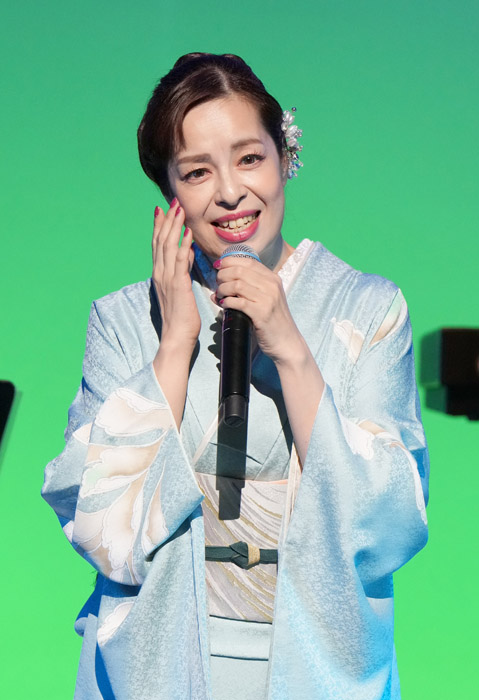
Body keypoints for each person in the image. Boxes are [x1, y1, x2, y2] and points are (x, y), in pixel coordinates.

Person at [42, 53, 429, 700]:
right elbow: (101, 530)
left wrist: (291, 349)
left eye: (249, 158)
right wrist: (174, 344)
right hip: (155, 672)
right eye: (197, 172)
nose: (229, 192)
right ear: (170, 193)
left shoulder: (367, 310)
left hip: (319, 672)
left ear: (284, 156)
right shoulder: (123, 321)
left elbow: (388, 525)